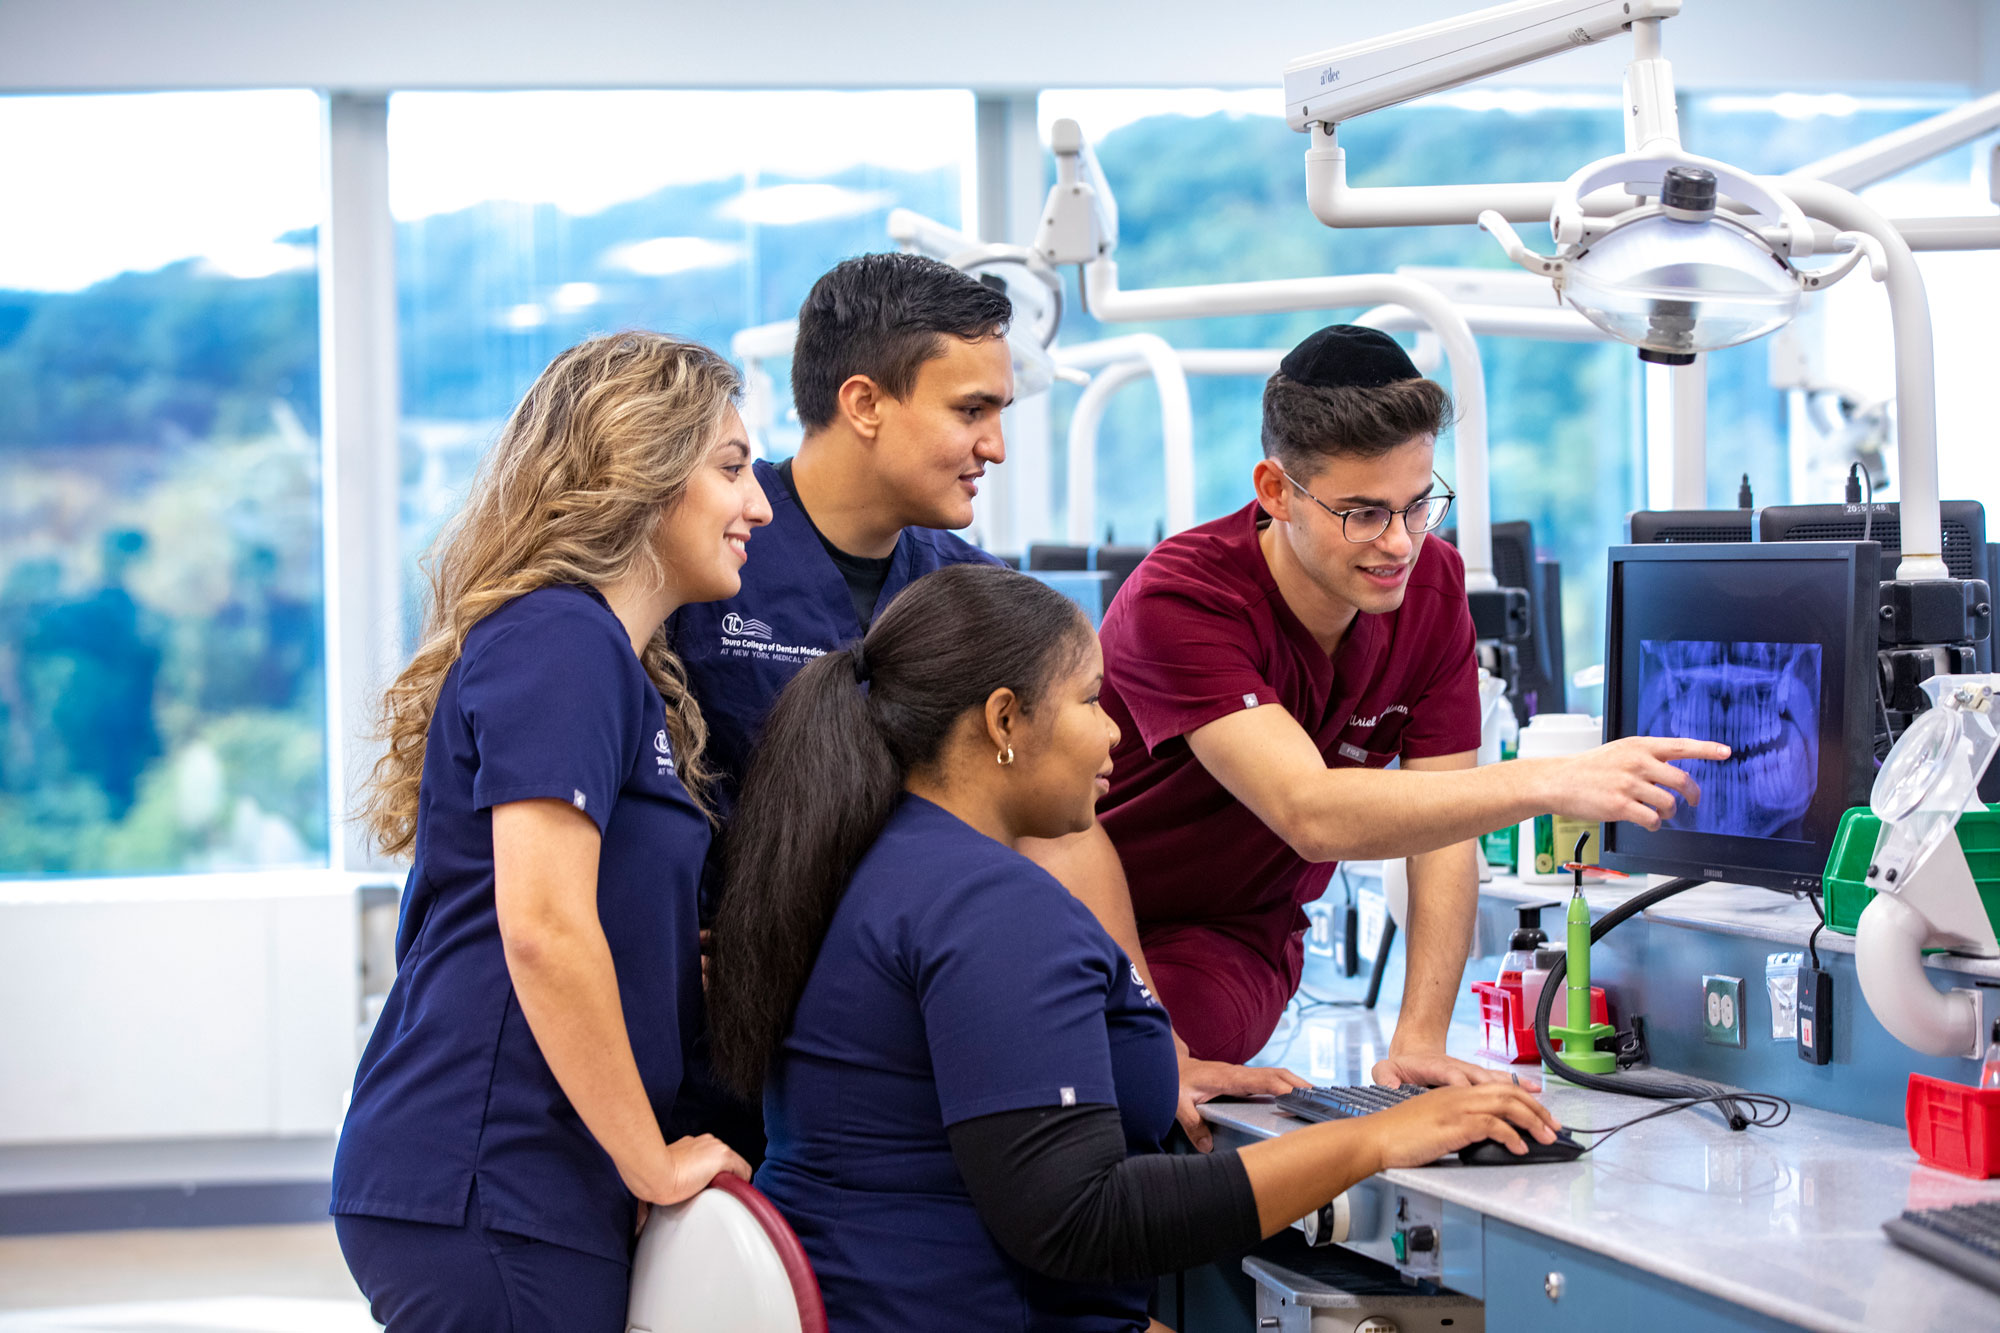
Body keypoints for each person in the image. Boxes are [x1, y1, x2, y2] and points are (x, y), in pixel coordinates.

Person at [706, 564, 1560, 1333]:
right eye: (1090, 702)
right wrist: (1375, 1140)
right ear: (1004, 719)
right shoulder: (989, 907)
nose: (1115, 734)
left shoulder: (862, 857)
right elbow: (1082, 1218)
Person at [1027, 325, 1729, 1127]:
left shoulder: (1433, 588)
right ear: (1276, 490)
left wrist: (1420, 1036)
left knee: (1179, 1066)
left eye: (1418, 504)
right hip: (1081, 912)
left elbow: (1444, 828)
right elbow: (1312, 814)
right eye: (1363, 514)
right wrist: (1550, 780)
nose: (1399, 543)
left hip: (1232, 940)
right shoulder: (1183, 599)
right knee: (1116, 1072)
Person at [331, 333, 762, 1332]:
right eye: (731, 469)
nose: (758, 507)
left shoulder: (620, 672)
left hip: (536, 1177)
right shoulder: (560, 640)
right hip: (495, 1171)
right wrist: (649, 1160)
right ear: (642, 469)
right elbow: (542, 927)